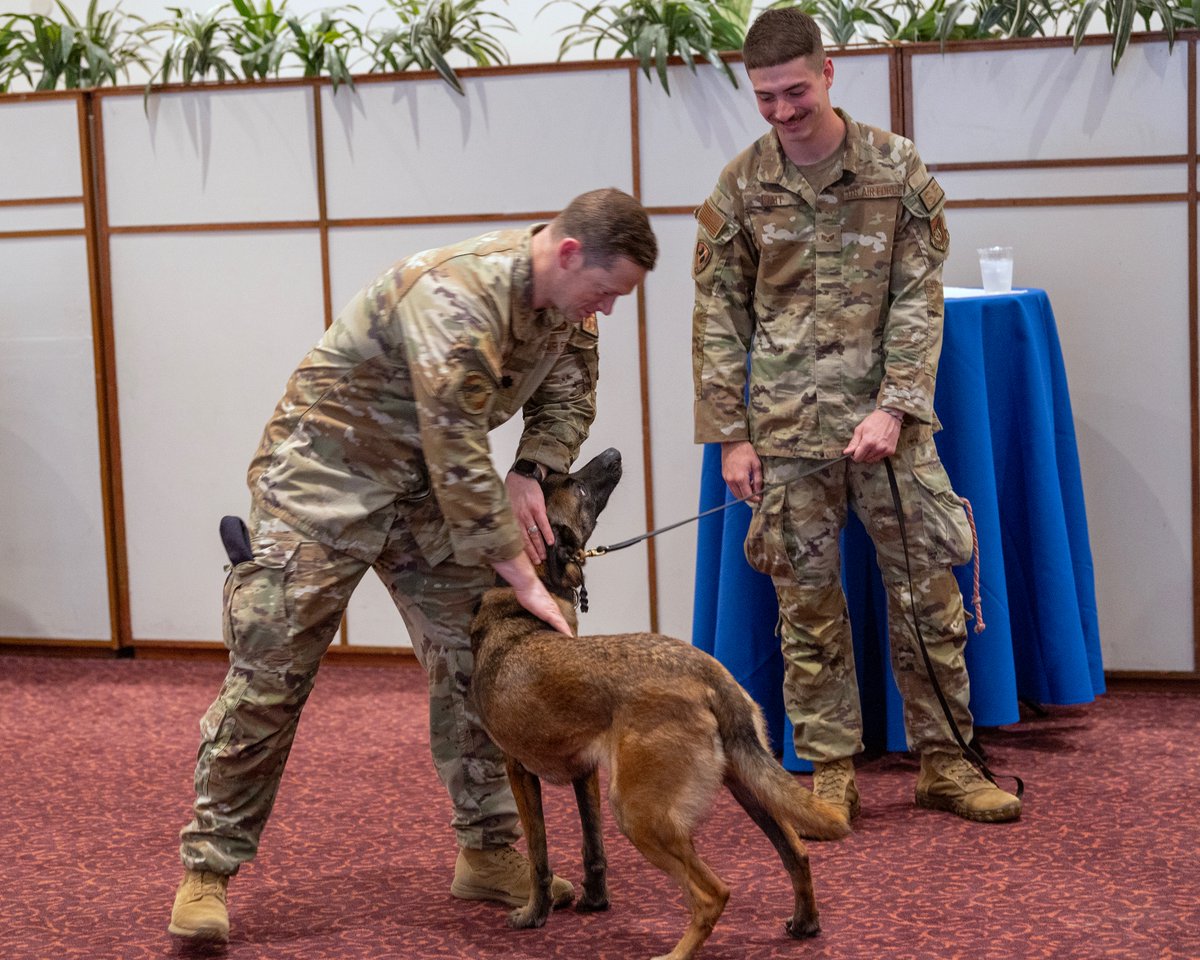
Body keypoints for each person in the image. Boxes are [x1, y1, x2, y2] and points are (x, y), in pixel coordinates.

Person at [168, 187, 659, 943]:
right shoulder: (460, 294)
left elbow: (567, 397)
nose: (609, 309)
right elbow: (458, 445)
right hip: (324, 479)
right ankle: (208, 869)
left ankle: (489, 848)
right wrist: (523, 576)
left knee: (479, 653)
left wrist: (533, 465)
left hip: (424, 487)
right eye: (606, 290)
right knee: (272, 674)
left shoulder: (569, 307)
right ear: (567, 254)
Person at [691, 9, 1020, 828]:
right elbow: (717, 316)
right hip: (787, 432)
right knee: (806, 609)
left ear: (829, 71)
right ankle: (830, 770)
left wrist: (896, 406)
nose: (780, 111)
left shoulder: (895, 168)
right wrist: (731, 433)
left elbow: (918, 298)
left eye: (794, 91)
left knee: (928, 596)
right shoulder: (741, 185)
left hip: (888, 433)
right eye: (764, 97)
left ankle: (945, 761)